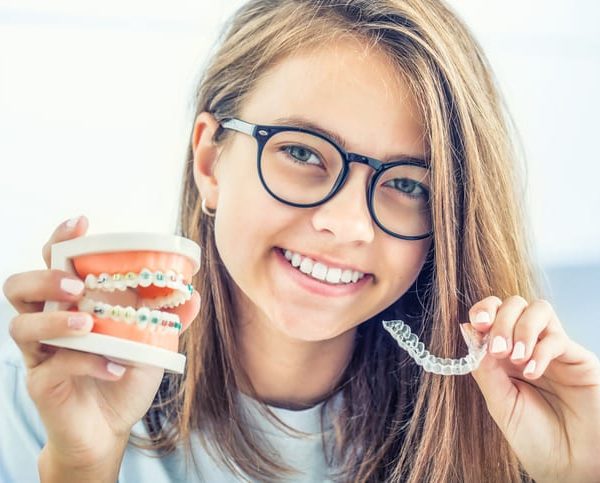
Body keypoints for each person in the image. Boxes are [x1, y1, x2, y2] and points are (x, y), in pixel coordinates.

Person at [2, 0, 599, 481]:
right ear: (211, 161)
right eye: (302, 152)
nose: (347, 224)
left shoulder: (515, 429)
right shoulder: (42, 393)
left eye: (408, 184)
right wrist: (80, 467)